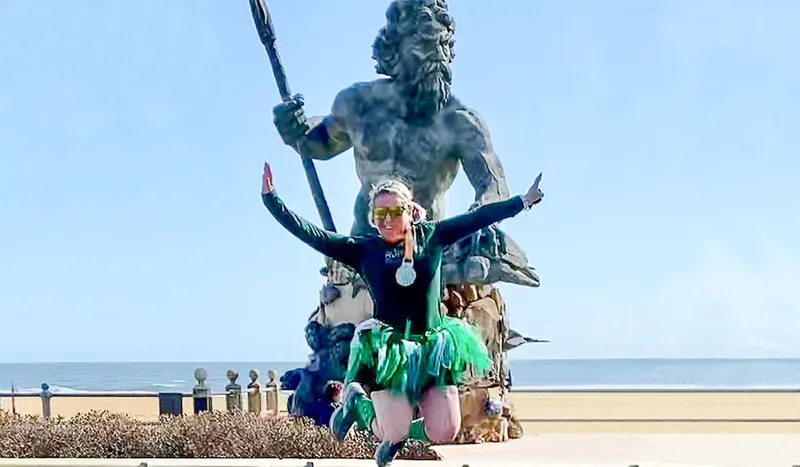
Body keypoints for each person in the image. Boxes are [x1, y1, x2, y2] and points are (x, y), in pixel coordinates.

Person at [261, 162, 544, 466]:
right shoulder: (363, 249)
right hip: (391, 351)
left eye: (394, 212)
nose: (386, 221)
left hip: (434, 347)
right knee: (391, 430)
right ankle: (357, 403)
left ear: (410, 211)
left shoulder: (434, 235)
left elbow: (478, 218)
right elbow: (314, 235)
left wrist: (523, 202)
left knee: (445, 430)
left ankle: (400, 436)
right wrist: (272, 199)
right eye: (379, 214)